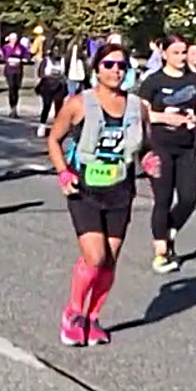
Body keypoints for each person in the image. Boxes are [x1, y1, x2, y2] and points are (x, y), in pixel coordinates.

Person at [46, 41, 148, 346]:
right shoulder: (78, 103)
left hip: (120, 190)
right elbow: (54, 140)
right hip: (84, 188)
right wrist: (62, 171)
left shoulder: (137, 106)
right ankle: (73, 314)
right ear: (97, 69)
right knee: (95, 256)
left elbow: (147, 145)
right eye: (109, 65)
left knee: (109, 262)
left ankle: (92, 318)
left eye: (121, 66)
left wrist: (151, 159)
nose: (116, 70)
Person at [138, 35, 196, 274]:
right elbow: (142, 114)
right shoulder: (153, 81)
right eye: (176, 53)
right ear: (164, 54)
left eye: (184, 52)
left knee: (189, 198)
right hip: (159, 146)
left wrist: (195, 118)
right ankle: (161, 253)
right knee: (163, 199)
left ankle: (168, 231)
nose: (181, 57)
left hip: (187, 147)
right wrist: (165, 117)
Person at [35, 46, 69, 137]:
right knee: (47, 106)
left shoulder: (62, 61)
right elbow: (40, 73)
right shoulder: (46, 60)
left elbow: (65, 73)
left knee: (59, 107)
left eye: (58, 51)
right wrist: (49, 76)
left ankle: (57, 127)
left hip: (59, 86)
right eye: (55, 51)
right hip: (47, 86)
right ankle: (42, 126)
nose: (57, 53)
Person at [0, 31, 30, 118]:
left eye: (15, 39)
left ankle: (15, 108)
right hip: (9, 71)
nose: (14, 40)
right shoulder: (5, 47)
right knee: (11, 88)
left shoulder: (21, 47)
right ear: (9, 39)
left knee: (16, 89)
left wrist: (24, 60)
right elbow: (2, 55)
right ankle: (12, 108)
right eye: (12, 38)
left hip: (18, 71)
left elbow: (26, 56)